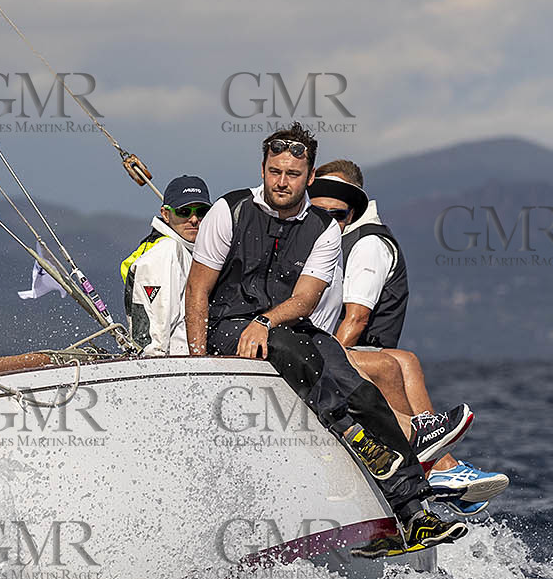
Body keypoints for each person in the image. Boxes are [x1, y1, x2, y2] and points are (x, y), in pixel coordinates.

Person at [183, 124, 465, 557]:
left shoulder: (323, 228)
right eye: (274, 171)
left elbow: (306, 299)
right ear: (262, 168)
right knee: (287, 346)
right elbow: (198, 290)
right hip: (227, 325)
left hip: (286, 322)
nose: (281, 181)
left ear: (309, 177)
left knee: (364, 392)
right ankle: (353, 436)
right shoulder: (230, 210)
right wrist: (196, 362)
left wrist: (265, 320)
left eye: (292, 174)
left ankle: (414, 513)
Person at [308, 161, 508, 514]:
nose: (327, 217)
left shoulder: (366, 243)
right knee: (393, 362)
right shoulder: (342, 239)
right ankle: (432, 463)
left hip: (341, 346)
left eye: (337, 210)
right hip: (330, 352)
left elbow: (357, 317)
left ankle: (435, 462)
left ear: (352, 207)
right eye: (319, 207)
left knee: (403, 360)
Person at [120, 175, 210, 356]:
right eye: (184, 211)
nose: (193, 219)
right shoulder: (166, 251)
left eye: (201, 212)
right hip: (172, 368)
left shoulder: (194, 251)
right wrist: (155, 363)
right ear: (166, 214)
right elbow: (154, 333)